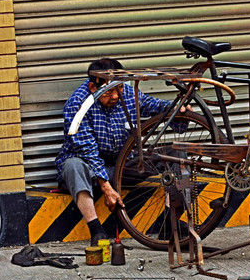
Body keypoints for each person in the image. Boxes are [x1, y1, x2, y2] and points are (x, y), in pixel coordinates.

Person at [55, 58, 175, 246]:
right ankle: (96, 230)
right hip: (91, 172)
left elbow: (154, 106)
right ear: (93, 88)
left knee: (177, 155)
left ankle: (169, 224)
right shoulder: (78, 103)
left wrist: (176, 109)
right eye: (109, 92)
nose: (115, 96)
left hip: (122, 167)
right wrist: (106, 187)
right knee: (73, 165)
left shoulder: (127, 93)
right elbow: (88, 151)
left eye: (118, 89)